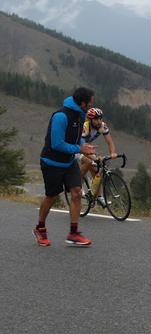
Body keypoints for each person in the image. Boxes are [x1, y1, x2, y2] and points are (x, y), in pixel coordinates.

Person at [33, 87, 96, 247]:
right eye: (90, 103)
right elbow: (57, 144)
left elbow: (75, 138)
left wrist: (84, 145)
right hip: (51, 162)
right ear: (82, 103)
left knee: (76, 193)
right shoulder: (61, 116)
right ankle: (40, 228)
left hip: (68, 162)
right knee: (52, 196)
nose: (91, 106)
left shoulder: (80, 115)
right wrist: (79, 149)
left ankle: (73, 233)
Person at [79, 107, 117, 207]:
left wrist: (113, 153)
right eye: (96, 119)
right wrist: (94, 157)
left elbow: (110, 142)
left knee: (97, 168)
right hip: (76, 146)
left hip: (88, 148)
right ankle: (76, 184)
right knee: (88, 161)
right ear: (90, 120)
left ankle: (99, 196)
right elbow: (82, 146)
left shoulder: (102, 126)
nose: (99, 121)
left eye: (100, 118)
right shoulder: (85, 127)